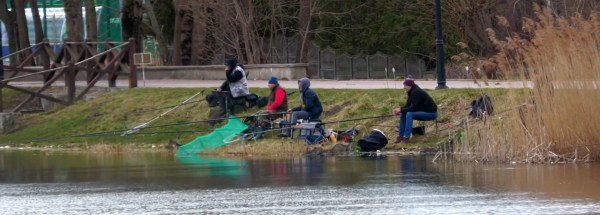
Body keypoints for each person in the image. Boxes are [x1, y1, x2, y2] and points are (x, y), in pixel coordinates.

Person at [393, 76, 438, 144]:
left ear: (410, 86)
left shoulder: (416, 92)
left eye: (405, 85)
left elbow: (414, 108)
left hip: (431, 113)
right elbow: (408, 106)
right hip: (423, 112)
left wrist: (401, 110)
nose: (404, 87)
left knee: (409, 114)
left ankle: (406, 138)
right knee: (403, 113)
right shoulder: (411, 91)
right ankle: (400, 136)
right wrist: (400, 110)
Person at [247, 76, 289, 140]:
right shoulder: (273, 90)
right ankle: (254, 133)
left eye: (269, 83)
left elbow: (278, 103)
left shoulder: (279, 90)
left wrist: (269, 110)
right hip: (274, 110)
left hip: (280, 111)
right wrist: (268, 109)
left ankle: (260, 134)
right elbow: (270, 101)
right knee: (257, 113)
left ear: (273, 83)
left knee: (262, 114)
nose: (268, 85)